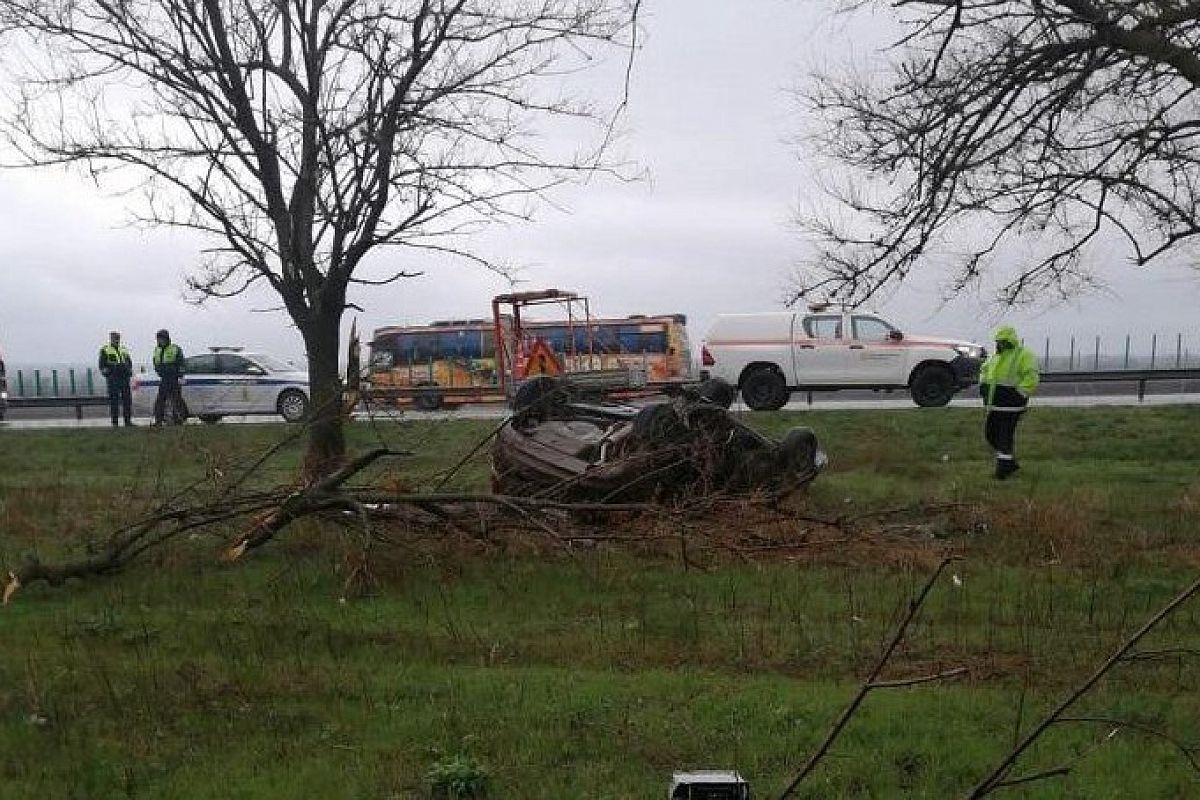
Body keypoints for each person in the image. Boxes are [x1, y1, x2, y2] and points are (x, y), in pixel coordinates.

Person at [979, 325, 1039, 479]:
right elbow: (984, 371)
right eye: (998, 341)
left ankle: (1003, 470)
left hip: (1012, 405)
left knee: (1004, 436)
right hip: (995, 405)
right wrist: (983, 387)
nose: (999, 344)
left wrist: (1019, 394)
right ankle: (1009, 463)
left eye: (1002, 341)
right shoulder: (995, 357)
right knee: (990, 434)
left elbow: (1031, 377)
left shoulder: (1024, 355)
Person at [98, 330, 134, 427]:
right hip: (113, 379)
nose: (116, 340)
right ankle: (115, 422)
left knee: (127, 400)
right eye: (114, 338)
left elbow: (129, 362)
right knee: (114, 401)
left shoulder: (123, 349)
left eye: (117, 338)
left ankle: (128, 421)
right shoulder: (105, 350)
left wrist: (129, 371)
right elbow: (102, 366)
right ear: (111, 339)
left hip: (124, 378)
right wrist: (109, 373)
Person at [151, 329, 187, 425]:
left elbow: (181, 363)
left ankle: (178, 420)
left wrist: (180, 376)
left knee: (176, 400)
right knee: (160, 400)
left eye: (161, 339)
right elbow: (155, 362)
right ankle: (158, 421)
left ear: (166, 339)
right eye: (158, 339)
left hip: (174, 378)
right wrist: (158, 370)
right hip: (164, 378)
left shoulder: (175, 348)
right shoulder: (157, 350)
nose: (159, 341)